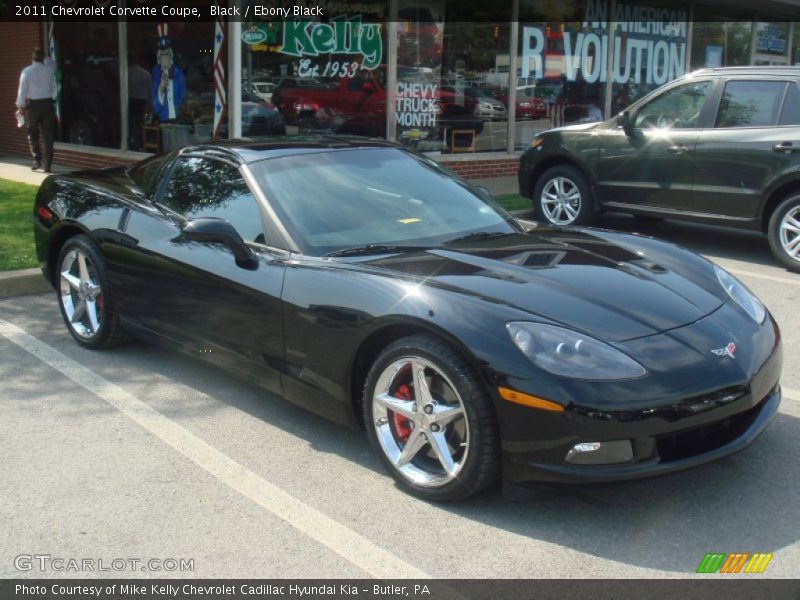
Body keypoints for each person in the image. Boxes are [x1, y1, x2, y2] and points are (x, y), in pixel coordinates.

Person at [16, 48, 56, 172]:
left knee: (32, 133)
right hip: (47, 104)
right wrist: (46, 58)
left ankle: (37, 160)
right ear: (43, 59)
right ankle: (47, 165)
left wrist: (20, 106)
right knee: (48, 135)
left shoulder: (26, 71)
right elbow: (52, 62)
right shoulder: (49, 69)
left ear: (32, 59)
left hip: (32, 106)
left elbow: (22, 90)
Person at [128, 53, 151, 150]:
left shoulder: (127, 72)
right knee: (139, 122)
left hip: (131, 99)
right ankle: (138, 142)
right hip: (142, 100)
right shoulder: (146, 74)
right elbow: (149, 90)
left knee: (130, 122)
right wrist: (149, 103)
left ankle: (131, 141)